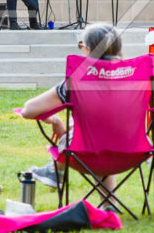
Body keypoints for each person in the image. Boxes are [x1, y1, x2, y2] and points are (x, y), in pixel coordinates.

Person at [20, 23, 125, 193]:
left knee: (95, 141)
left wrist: (54, 118)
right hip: (130, 150)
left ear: (88, 49)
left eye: (81, 46)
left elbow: (28, 110)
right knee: (103, 137)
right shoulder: (135, 75)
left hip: (87, 151)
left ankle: (56, 172)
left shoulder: (76, 81)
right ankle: (108, 204)